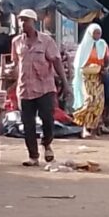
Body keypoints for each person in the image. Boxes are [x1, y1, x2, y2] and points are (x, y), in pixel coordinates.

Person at [11, 9, 70, 166]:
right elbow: (16, 63)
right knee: (28, 124)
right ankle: (33, 156)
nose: (23, 23)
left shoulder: (46, 41)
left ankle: (47, 145)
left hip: (44, 87)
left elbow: (56, 61)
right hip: (25, 89)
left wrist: (65, 83)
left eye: (26, 20)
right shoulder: (16, 42)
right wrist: (11, 76)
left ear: (34, 22)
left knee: (47, 119)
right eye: (20, 20)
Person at [72, 24, 109, 138]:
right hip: (85, 77)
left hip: (97, 77)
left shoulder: (103, 45)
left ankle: (93, 128)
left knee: (99, 103)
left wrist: (105, 69)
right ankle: (83, 126)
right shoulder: (84, 46)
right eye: (95, 33)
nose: (97, 35)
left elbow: (107, 61)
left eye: (99, 33)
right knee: (89, 101)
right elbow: (78, 64)